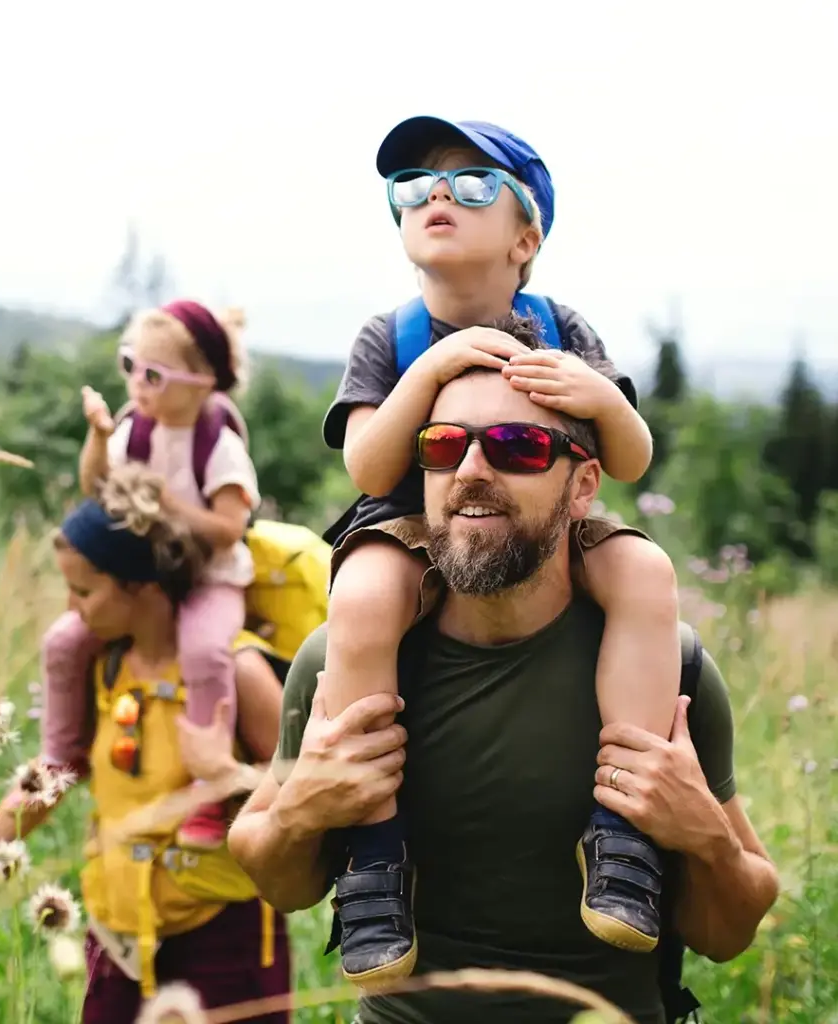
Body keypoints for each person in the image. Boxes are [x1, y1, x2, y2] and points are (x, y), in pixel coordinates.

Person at [228, 334, 779, 1024]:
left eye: (518, 446)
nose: (471, 470)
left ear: (583, 487)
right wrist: (298, 812)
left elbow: (728, 934)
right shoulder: (343, 656)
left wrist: (705, 837)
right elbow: (276, 879)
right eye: (442, 446)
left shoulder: (670, 669)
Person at [318, 116, 684, 983]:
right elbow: (371, 466)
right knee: (363, 599)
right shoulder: (391, 336)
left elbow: (627, 461)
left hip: (538, 513)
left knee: (644, 569)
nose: (436, 193)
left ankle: (623, 828)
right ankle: (375, 853)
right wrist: (429, 379)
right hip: (410, 521)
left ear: (527, 238)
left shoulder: (560, 326)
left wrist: (599, 394)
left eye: (472, 182)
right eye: (414, 186)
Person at [0, 464, 290, 1023]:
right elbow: (51, 774)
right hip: (116, 941)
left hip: (224, 944)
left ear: (143, 586)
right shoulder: (104, 666)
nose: (71, 608)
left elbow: (304, 792)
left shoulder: (239, 670)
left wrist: (227, 772)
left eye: (83, 590)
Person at [44, 298, 260, 852]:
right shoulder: (134, 429)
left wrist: (172, 505)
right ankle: (60, 758)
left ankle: (211, 786)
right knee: (66, 641)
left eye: (154, 375)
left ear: (203, 381)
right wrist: (97, 437)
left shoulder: (218, 444)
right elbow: (97, 487)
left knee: (206, 652)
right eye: (129, 367)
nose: (137, 385)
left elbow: (229, 529)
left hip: (210, 576)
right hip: (149, 579)